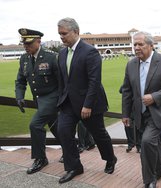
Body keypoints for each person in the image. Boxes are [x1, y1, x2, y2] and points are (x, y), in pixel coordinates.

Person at [56, 17, 117, 184]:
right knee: (63, 132)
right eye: (59, 34)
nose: (61, 37)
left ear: (76, 32)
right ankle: (74, 166)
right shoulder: (61, 54)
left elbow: (94, 81)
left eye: (64, 33)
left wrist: (87, 105)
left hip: (89, 104)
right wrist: (61, 101)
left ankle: (110, 158)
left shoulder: (89, 51)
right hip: (68, 104)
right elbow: (62, 81)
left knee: (99, 135)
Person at [122, 31, 161, 188]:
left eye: (141, 44)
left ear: (151, 46)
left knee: (146, 142)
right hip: (139, 114)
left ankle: (150, 179)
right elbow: (127, 90)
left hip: (158, 112)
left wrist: (154, 96)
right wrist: (126, 114)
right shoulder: (131, 64)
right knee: (153, 142)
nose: (137, 48)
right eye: (135, 44)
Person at [15, 28, 62, 174]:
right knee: (56, 127)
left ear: (38, 41)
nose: (25, 46)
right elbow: (21, 80)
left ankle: (40, 159)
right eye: (24, 43)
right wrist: (20, 96)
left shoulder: (52, 57)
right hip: (38, 100)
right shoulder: (24, 59)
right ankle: (70, 149)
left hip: (52, 98)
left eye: (29, 43)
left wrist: (62, 101)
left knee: (35, 125)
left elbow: (62, 81)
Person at [119, 85, 141, 153]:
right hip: (129, 108)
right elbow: (121, 90)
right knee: (127, 126)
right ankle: (130, 144)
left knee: (138, 127)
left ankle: (139, 145)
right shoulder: (127, 82)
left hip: (138, 107)